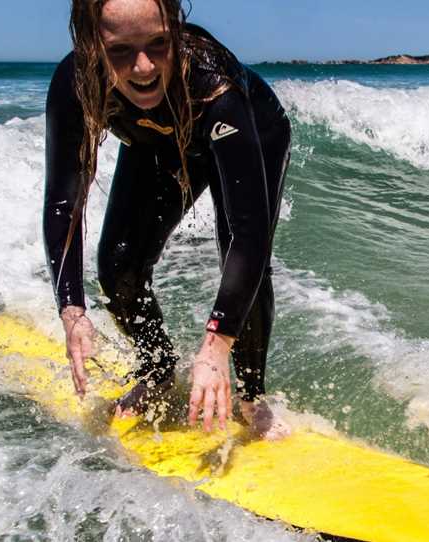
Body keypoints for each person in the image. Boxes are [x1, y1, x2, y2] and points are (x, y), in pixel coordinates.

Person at [44, 0, 291, 439]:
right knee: (119, 265)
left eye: (159, 43)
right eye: (119, 51)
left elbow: (248, 235)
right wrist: (72, 311)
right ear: (91, 44)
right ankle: (157, 371)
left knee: (239, 253)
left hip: (252, 131)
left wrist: (215, 348)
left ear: (175, 30)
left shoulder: (214, 85)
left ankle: (251, 394)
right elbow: (65, 202)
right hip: (154, 143)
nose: (143, 68)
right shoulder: (75, 82)